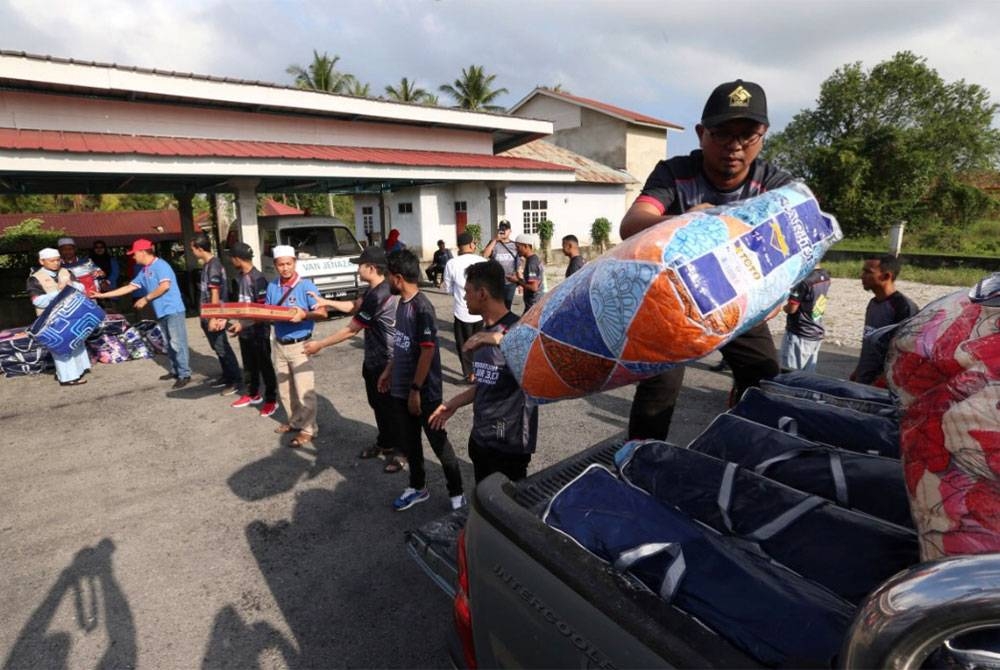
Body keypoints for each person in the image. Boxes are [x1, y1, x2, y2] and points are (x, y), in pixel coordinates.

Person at [620, 79, 792, 441]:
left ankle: (751, 452)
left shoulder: (775, 185)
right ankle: (637, 460)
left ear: (763, 136)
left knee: (765, 380)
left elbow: (793, 249)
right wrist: (687, 221)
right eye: (722, 133)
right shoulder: (674, 173)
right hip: (674, 302)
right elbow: (632, 224)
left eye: (747, 135)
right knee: (658, 390)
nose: (735, 145)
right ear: (701, 134)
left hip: (741, 302)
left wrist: (778, 295)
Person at [429, 260, 537, 483]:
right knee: (482, 497)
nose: (463, 296)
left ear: (482, 294)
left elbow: (540, 364)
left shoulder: (519, 330)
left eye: (467, 291)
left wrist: (501, 339)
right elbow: (487, 383)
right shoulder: (482, 333)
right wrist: (453, 404)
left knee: (507, 501)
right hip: (481, 438)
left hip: (508, 443)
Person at [303, 245, 404, 472]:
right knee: (378, 404)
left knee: (391, 407)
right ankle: (385, 442)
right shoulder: (373, 290)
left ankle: (402, 451)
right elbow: (354, 306)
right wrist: (326, 301)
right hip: (373, 359)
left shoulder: (380, 294)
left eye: (360, 265)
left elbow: (351, 329)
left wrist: (320, 344)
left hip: (386, 361)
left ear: (372, 268)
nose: (358, 269)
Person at [377, 249, 464, 511]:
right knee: (410, 442)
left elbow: (427, 351)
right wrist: (389, 370)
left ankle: (457, 494)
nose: (386, 280)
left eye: (388, 275)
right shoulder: (401, 304)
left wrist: (416, 390)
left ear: (398, 278)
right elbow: (402, 345)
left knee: (439, 443)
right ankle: (417, 487)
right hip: (401, 389)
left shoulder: (422, 307)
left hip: (424, 392)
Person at [93, 239, 192, 389]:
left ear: (143, 252)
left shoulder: (161, 265)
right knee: (168, 343)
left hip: (173, 310)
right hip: (161, 311)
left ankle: (184, 374)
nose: (133, 257)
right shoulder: (145, 269)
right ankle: (176, 371)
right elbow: (129, 287)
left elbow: (165, 286)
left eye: (134, 254)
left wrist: (146, 299)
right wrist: (102, 295)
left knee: (177, 343)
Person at [267, 245, 328, 448]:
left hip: (300, 345)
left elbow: (323, 313)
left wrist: (304, 314)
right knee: (285, 390)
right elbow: (268, 312)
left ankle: (309, 429)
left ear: (295, 263)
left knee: (304, 390)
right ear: (275, 265)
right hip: (279, 344)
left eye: (288, 263)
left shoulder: (306, 286)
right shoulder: (272, 286)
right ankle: (295, 421)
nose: (285, 268)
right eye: (281, 264)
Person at [225, 242, 279, 418]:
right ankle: (252, 394)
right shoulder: (240, 277)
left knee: (265, 366)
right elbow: (240, 305)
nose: (231, 261)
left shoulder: (258, 279)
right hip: (245, 330)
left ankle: (271, 400)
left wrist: (243, 324)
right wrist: (226, 319)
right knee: (249, 365)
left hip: (259, 330)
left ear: (237, 259)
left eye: (232, 258)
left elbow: (262, 311)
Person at [26, 248, 92, 386]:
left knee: (76, 343)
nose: (56, 263)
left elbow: (81, 287)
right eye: (52, 261)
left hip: (71, 314)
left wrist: (72, 285)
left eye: (57, 260)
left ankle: (79, 370)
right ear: (41, 261)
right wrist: (59, 291)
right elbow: (37, 301)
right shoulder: (34, 278)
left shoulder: (66, 272)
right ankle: (67, 377)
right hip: (51, 319)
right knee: (61, 347)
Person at [851, 255, 918, 386]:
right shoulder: (873, 303)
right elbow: (869, 340)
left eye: (868, 272)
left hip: (882, 385)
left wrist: (882, 380)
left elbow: (906, 351)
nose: (862, 276)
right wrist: (859, 370)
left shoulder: (903, 307)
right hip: (864, 379)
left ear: (886, 276)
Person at [190, 234, 242, 396]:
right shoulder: (209, 264)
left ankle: (235, 380)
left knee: (222, 347)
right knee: (217, 347)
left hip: (215, 314)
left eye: (193, 249)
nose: (192, 252)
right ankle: (227, 375)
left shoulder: (213, 265)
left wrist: (214, 317)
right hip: (208, 314)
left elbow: (215, 293)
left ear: (200, 249)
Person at [441, 232, 487, 383]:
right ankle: (480, 372)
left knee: (464, 344)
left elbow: (447, 289)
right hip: (481, 313)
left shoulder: (451, 264)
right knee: (480, 343)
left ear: (459, 246)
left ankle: (469, 374)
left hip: (461, 311)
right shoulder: (482, 261)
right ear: (471, 245)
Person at [780, 266, 832, 373]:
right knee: (807, 376)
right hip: (816, 331)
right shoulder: (825, 275)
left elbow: (792, 309)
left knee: (790, 374)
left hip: (800, 333)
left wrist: (783, 307)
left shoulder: (803, 280)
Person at [482, 220, 519, 309]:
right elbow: (485, 255)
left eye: (505, 229)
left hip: (510, 282)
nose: (503, 231)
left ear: (510, 231)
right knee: (496, 306)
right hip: (496, 282)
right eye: (501, 229)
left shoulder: (515, 245)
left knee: (507, 306)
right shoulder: (494, 243)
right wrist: (495, 240)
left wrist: (519, 280)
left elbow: (519, 263)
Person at [510, 233, 544, 312]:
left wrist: (517, 281)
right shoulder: (533, 259)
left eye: (518, 247)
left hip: (534, 303)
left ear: (526, 246)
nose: (517, 250)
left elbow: (533, 287)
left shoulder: (531, 263)